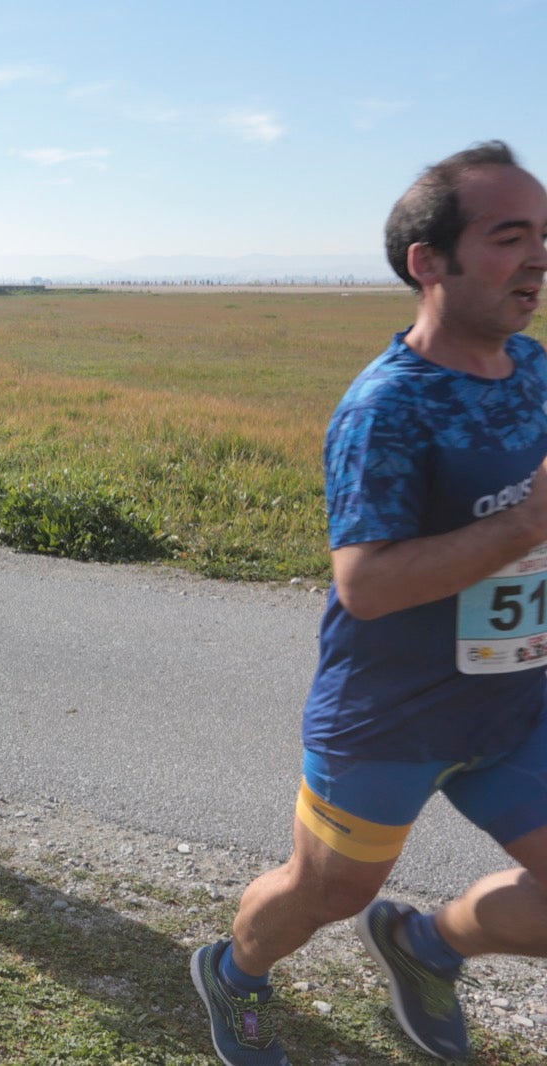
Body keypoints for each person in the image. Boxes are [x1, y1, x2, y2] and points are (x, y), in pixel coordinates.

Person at [191, 140, 547, 1066]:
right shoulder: (386, 408)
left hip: (516, 705)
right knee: (327, 893)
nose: (539, 259)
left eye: (544, 237)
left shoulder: (534, 370)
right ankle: (234, 972)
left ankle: (428, 944)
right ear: (430, 262)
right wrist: (524, 523)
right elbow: (368, 584)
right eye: (510, 237)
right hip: (391, 717)